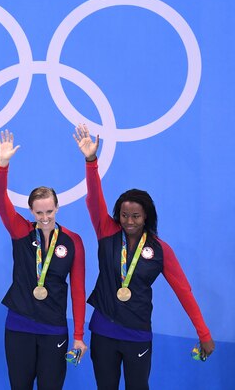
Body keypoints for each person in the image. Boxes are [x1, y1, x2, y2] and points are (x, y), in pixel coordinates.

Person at [72, 124, 215, 389]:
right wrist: (91, 160)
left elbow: (184, 291)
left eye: (135, 216)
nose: (129, 221)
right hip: (103, 332)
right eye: (124, 215)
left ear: (146, 216)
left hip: (137, 333)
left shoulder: (160, 250)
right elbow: (94, 200)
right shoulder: (106, 231)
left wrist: (203, 333)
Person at [0, 130, 87, 390]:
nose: (45, 217)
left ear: (57, 207)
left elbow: (78, 290)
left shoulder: (73, 241)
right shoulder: (21, 231)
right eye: (39, 212)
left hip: (54, 329)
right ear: (31, 211)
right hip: (19, 326)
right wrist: (3, 165)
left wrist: (78, 335)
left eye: (49, 210)